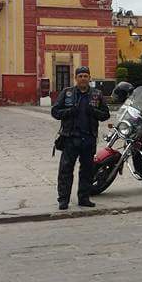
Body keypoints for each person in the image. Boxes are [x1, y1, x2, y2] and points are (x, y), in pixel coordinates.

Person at [51, 66, 109, 210]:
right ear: (75, 78)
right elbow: (55, 112)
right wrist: (70, 111)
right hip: (70, 138)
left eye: (85, 76)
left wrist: (94, 112)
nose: (83, 78)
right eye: (80, 76)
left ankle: (84, 198)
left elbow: (105, 115)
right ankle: (63, 200)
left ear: (89, 78)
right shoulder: (67, 93)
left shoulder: (97, 94)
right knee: (65, 170)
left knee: (87, 171)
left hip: (88, 138)